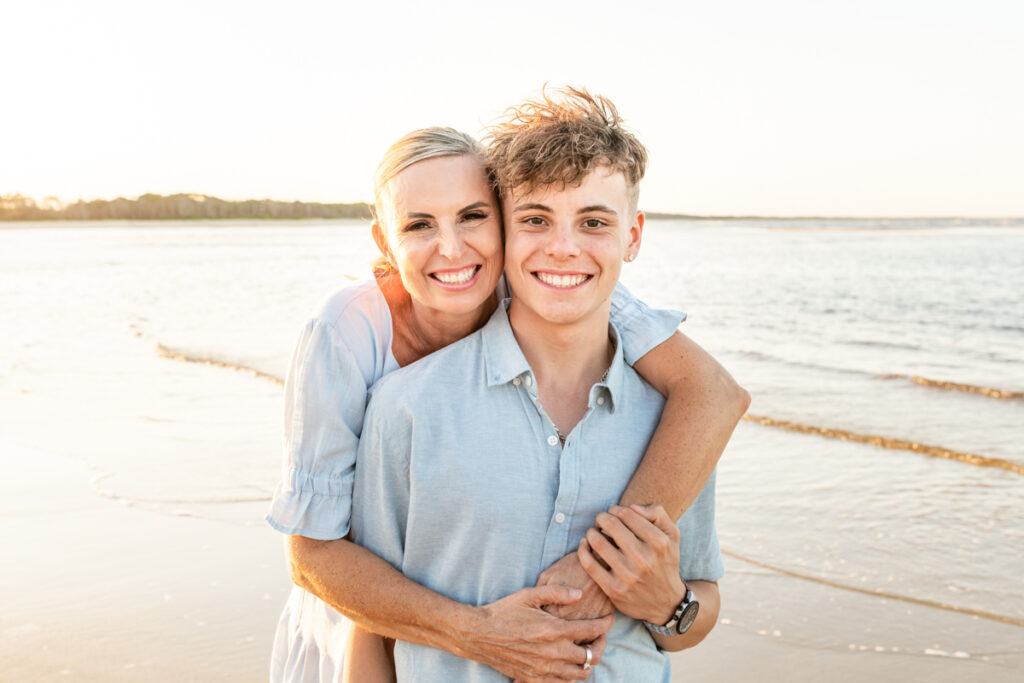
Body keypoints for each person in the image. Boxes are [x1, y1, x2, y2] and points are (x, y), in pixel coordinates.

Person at [267, 120, 747, 681]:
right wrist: (482, 636)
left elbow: (694, 605)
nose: (563, 247)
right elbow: (327, 570)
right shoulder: (380, 379)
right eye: (537, 220)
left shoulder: (671, 417)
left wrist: (661, 599)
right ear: (386, 241)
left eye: (472, 216)